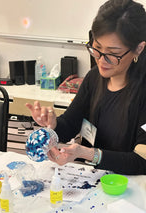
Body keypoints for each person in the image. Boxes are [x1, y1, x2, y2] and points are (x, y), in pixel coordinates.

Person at [26, 0, 146, 175]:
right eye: (96, 48)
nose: (101, 60)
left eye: (113, 54)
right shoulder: (94, 77)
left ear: (139, 49)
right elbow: (70, 124)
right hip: (91, 180)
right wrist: (53, 125)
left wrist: (90, 154)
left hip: (127, 188)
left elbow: (141, 161)